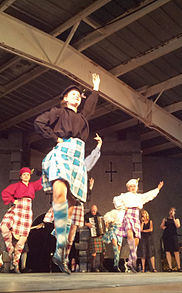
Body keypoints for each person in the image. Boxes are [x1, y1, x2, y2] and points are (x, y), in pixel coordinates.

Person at [34, 73, 100, 274]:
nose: (76, 97)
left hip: (78, 157)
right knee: (60, 196)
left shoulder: (81, 117)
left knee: (71, 207)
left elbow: (89, 107)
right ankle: (60, 245)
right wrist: (56, 139)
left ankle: (60, 250)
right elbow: (39, 122)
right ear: (64, 98)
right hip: (63, 151)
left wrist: (95, 89)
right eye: (72, 94)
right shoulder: (57, 112)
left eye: (78, 95)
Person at [113, 178, 164, 273]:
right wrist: (123, 207)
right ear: (128, 188)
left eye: (134, 186)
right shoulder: (125, 196)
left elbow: (149, 195)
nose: (133, 188)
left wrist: (157, 189)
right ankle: (133, 256)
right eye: (131, 186)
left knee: (136, 240)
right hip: (128, 214)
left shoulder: (139, 197)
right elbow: (116, 199)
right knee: (129, 233)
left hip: (136, 216)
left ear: (136, 187)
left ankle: (130, 261)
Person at [0, 167, 42, 273]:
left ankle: (15, 263)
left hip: (27, 211)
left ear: (30, 176)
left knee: (22, 239)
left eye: (28, 174)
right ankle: (10, 249)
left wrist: (41, 172)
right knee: (3, 226)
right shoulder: (16, 185)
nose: (26, 176)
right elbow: (5, 192)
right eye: (24, 174)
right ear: (20, 176)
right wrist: (12, 201)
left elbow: (43, 181)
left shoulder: (32, 185)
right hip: (17, 208)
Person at [84, 205, 106, 272]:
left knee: (103, 251)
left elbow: (102, 223)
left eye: (95, 211)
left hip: (99, 235)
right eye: (93, 211)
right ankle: (92, 267)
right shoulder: (87, 215)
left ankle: (100, 266)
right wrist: (86, 224)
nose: (94, 212)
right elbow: (82, 222)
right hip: (92, 235)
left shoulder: (99, 215)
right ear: (91, 210)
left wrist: (105, 225)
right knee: (94, 252)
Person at [160, 207, 181, 272]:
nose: (171, 212)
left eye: (173, 211)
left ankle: (179, 267)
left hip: (173, 236)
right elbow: (161, 226)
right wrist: (164, 226)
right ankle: (170, 267)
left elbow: (177, 226)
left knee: (176, 251)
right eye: (170, 211)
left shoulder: (176, 219)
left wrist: (173, 218)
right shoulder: (165, 219)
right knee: (167, 251)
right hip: (166, 236)